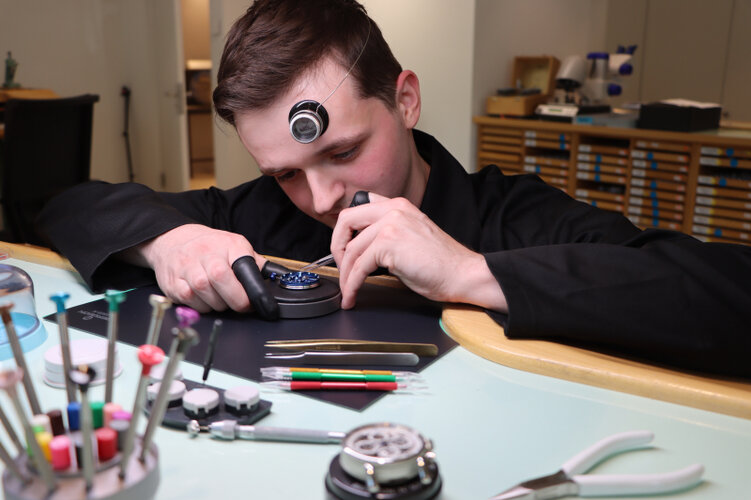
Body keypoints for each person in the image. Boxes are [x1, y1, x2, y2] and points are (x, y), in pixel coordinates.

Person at [39, 0, 751, 378]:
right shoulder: (258, 216)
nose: (320, 198)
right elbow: (70, 206)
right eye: (285, 172)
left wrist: (470, 272)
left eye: (344, 151)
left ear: (404, 100)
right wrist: (171, 241)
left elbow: (728, 294)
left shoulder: (512, 216)